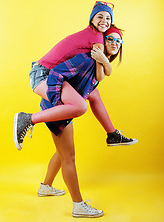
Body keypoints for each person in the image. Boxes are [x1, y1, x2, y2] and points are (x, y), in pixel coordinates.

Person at [14, 24, 137, 217]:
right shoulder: (86, 59)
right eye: (110, 39)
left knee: (62, 152)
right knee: (68, 157)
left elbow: (94, 94)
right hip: (55, 108)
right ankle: (78, 205)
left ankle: (45, 187)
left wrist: (105, 63)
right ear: (101, 42)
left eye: (118, 41)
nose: (114, 43)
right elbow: (55, 74)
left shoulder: (96, 65)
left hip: (62, 107)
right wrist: (56, 102)